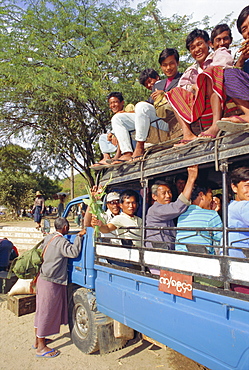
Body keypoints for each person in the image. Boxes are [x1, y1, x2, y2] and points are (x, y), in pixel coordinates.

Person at [111, 48, 181, 163]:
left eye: (171, 64)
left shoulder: (182, 78)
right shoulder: (159, 84)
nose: (168, 68)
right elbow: (146, 107)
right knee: (118, 118)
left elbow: (184, 96)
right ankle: (127, 152)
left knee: (141, 106)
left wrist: (165, 95)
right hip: (156, 118)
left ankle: (139, 147)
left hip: (171, 120)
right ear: (161, 67)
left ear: (177, 63)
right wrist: (126, 113)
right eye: (165, 65)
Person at [166, 29, 233, 146]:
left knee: (209, 74)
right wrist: (193, 86)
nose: (197, 50)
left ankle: (215, 124)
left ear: (209, 44)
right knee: (173, 92)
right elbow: (182, 86)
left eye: (199, 44)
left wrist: (202, 79)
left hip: (219, 95)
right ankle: (187, 134)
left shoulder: (218, 54)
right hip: (200, 104)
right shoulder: (191, 70)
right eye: (192, 47)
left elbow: (225, 64)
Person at [34, 217, 84, 358]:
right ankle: (41, 347)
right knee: (46, 312)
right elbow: (73, 252)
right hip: (51, 281)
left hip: (42, 278)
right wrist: (79, 236)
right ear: (66, 228)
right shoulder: (61, 241)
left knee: (40, 310)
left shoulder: (49, 237)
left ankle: (38, 340)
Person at [145, 165, 198, 249]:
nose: (168, 196)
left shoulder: (166, 208)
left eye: (169, 192)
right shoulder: (155, 210)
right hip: (156, 251)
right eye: (164, 193)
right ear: (154, 197)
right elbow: (178, 207)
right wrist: (191, 178)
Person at [217, 6, 249, 130]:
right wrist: (241, 60)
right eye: (244, 29)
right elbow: (235, 80)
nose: (248, 31)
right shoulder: (244, 59)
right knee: (229, 73)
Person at [175, 183, 222, 254]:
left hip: (182, 256)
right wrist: (213, 212)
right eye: (211, 196)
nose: (211, 200)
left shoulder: (182, 215)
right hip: (204, 259)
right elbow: (220, 241)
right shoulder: (212, 215)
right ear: (201, 195)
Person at [227, 166, 249, 293]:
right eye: (247, 186)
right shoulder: (242, 206)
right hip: (243, 269)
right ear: (234, 187)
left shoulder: (232, 206)